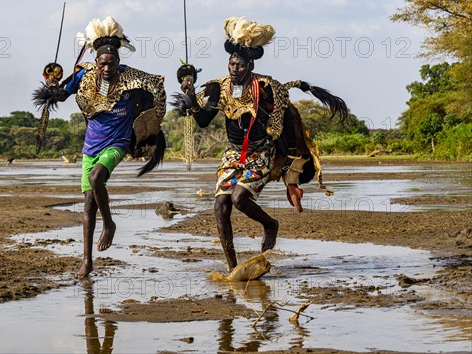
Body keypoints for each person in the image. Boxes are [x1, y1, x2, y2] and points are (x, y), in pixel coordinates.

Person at [173, 17, 347, 271]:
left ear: (250, 65)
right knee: (220, 206)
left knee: (239, 198)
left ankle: (270, 225)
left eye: (240, 65)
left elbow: (285, 127)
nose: (234, 68)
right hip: (232, 154)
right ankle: (232, 266)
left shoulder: (267, 89)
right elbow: (202, 121)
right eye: (232, 63)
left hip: (261, 152)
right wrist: (190, 101)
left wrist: (292, 176)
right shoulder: (217, 88)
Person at [34, 17, 166, 278]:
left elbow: (157, 90)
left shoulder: (134, 80)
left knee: (97, 178)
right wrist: (51, 89)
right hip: (91, 146)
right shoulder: (84, 75)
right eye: (103, 63)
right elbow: (63, 93)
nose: (107, 68)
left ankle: (109, 224)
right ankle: (87, 260)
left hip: (117, 143)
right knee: (87, 203)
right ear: (97, 62)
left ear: (119, 62)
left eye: (112, 63)